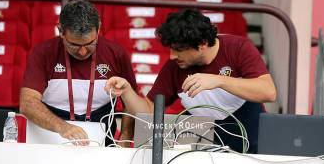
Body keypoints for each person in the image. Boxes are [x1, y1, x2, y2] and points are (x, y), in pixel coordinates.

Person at [105, 8, 276, 153]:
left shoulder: (238, 48)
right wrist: (127, 91)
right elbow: (149, 111)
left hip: (251, 142)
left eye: (179, 50)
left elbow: (268, 92)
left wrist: (219, 81)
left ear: (202, 44)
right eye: (171, 49)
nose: (172, 56)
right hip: (204, 147)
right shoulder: (175, 66)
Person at [20, 0, 137, 146]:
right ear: (60, 31)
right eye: (74, 45)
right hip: (48, 141)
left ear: (99, 28)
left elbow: (131, 103)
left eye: (89, 44)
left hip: (103, 144)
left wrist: (125, 139)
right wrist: (62, 127)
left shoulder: (116, 54)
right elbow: (27, 103)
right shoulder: (42, 53)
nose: (82, 52)